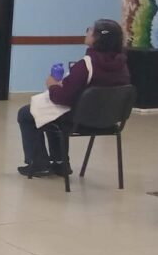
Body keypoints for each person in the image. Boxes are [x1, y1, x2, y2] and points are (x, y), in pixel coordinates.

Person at [16, 19, 130, 176]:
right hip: (109, 120)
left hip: (80, 120)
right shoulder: (122, 66)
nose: (87, 31)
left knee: (27, 113)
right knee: (53, 115)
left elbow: (62, 98)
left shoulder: (86, 65)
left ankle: (39, 163)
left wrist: (52, 85)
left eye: (90, 30)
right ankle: (60, 163)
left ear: (97, 38)